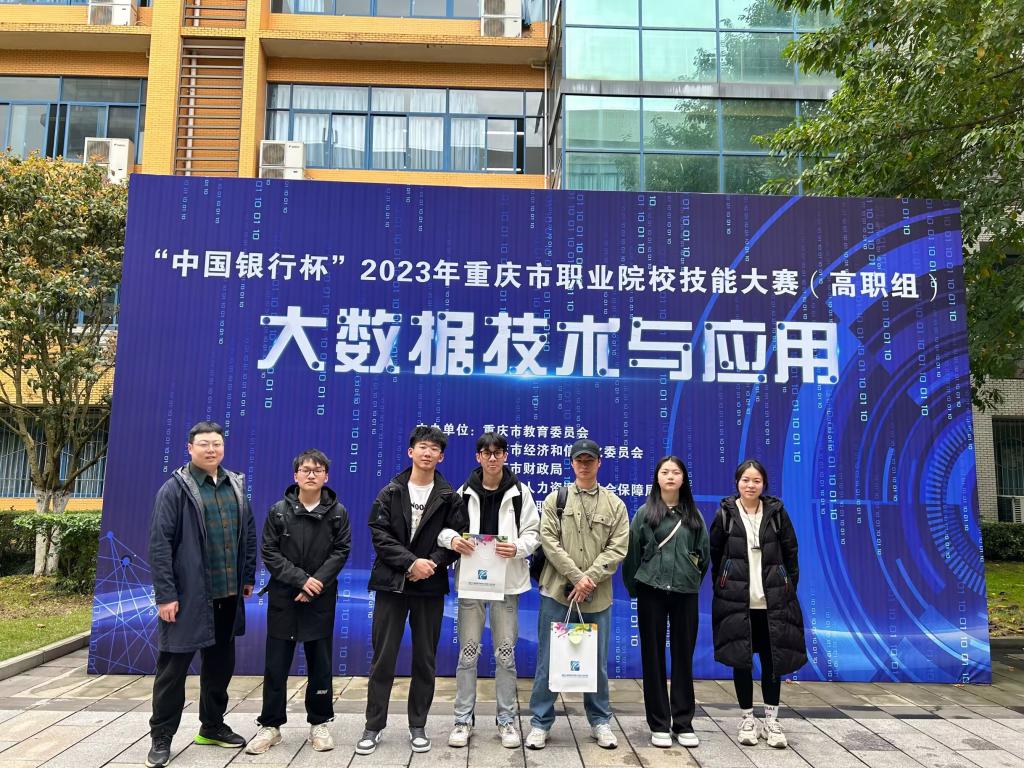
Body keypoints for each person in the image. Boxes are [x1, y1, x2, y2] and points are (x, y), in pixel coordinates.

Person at [145, 421, 257, 768]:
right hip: (188, 597)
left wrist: (247, 576)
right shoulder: (175, 489)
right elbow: (160, 544)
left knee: (220, 667)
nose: (211, 449)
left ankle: (212, 726)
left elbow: (248, 532)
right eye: (204, 444)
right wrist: (166, 595)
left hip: (227, 595)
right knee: (172, 671)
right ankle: (161, 737)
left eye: (217, 444)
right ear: (190, 448)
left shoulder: (234, 484)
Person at [356, 425, 468, 756]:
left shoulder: (449, 496)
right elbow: (379, 534)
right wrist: (410, 563)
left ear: (441, 456)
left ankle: (418, 725)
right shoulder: (391, 491)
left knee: (425, 659)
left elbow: (457, 537)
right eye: (422, 447)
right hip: (392, 584)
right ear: (411, 451)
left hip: (430, 586)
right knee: (383, 658)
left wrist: (431, 563)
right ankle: (373, 726)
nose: (428, 453)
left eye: (434, 448)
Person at [525, 438, 629, 751]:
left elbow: (618, 547)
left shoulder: (615, 504)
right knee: (548, 659)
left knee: (595, 662)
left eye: (589, 460)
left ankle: (600, 721)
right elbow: (548, 541)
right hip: (557, 592)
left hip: (597, 596)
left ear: (599, 463)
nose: (584, 465)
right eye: (579, 460)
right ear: (571, 463)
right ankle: (540, 722)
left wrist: (589, 579)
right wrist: (577, 577)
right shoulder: (555, 500)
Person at [245, 449, 352, 756]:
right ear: (295, 476)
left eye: (317, 470)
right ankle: (270, 725)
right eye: (305, 470)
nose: (311, 475)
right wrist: (300, 580)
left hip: (320, 597)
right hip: (285, 597)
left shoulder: (337, 513)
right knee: (276, 666)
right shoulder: (278, 511)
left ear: (326, 476)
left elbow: (341, 551)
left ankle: (319, 723)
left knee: (320, 664)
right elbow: (270, 552)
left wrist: (314, 584)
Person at [440, 432, 540, 749]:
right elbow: (443, 530)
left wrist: (519, 547)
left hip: (506, 584)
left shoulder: (521, 493)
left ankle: (506, 720)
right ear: (478, 457)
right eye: (486, 452)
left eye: (498, 452)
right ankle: (462, 720)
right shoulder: (463, 492)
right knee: (468, 654)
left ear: (505, 456)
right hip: (472, 584)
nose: (492, 457)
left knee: (505, 655)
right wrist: (452, 541)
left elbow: (534, 533)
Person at [709, 459, 807, 750]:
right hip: (738, 601)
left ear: (764, 484)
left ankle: (772, 721)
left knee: (772, 662)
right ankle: (747, 719)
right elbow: (715, 556)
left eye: (756, 480)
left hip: (771, 602)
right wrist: (725, 586)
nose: (750, 485)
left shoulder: (776, 514)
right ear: (737, 482)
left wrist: (785, 588)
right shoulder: (725, 514)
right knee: (741, 661)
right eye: (745, 480)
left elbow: (791, 554)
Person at [622, 456, 709, 749]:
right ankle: (658, 723)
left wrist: (689, 577)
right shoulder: (645, 514)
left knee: (683, 657)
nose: (670, 476)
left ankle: (683, 723)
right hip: (652, 592)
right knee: (653, 658)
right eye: (665, 472)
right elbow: (632, 555)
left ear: (683, 479)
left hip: (685, 593)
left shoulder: (694, 516)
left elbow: (703, 555)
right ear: (657, 478)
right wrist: (637, 588)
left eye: (676, 472)